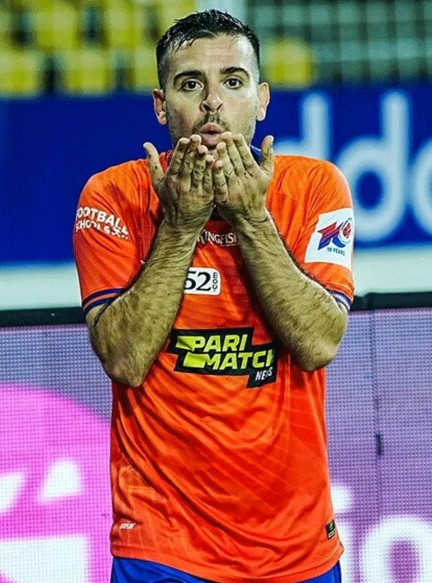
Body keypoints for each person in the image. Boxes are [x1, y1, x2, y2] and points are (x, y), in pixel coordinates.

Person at [72, 10, 355, 583]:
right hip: (162, 546)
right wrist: (180, 226)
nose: (212, 103)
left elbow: (320, 341)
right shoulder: (113, 195)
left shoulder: (316, 187)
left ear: (262, 99)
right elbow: (124, 360)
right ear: (160, 104)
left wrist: (250, 217)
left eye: (232, 81)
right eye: (190, 83)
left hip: (297, 549)